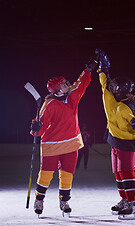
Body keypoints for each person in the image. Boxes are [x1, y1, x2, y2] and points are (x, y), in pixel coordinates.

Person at [30, 55, 98, 216]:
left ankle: (64, 200)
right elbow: (39, 130)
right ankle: (39, 199)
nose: (68, 85)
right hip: (52, 145)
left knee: (67, 174)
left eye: (67, 82)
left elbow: (80, 83)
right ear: (57, 90)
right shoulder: (49, 105)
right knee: (46, 174)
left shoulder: (73, 95)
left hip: (71, 144)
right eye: (64, 84)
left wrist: (88, 69)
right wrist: (35, 127)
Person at [96, 49, 135, 220]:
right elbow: (104, 82)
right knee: (118, 173)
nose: (110, 86)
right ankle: (124, 200)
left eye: (114, 85)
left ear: (121, 89)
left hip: (127, 144)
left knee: (127, 173)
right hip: (114, 142)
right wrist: (103, 67)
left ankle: (133, 205)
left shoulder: (128, 106)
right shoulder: (109, 97)